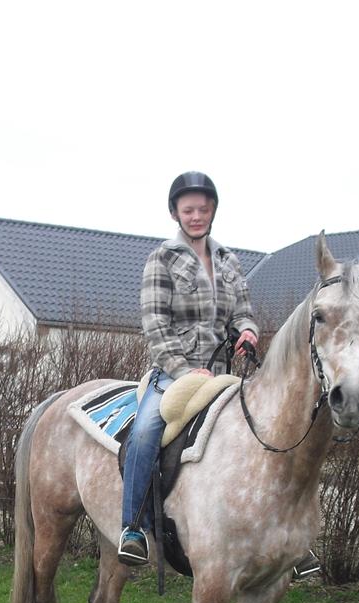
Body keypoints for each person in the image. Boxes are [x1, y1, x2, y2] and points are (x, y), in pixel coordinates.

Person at [118, 171, 258, 565]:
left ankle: (278, 535)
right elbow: (155, 325)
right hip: (174, 374)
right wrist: (183, 369)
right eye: (188, 209)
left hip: (222, 375)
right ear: (175, 213)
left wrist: (247, 331)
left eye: (203, 208)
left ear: (213, 210)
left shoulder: (229, 261)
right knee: (145, 432)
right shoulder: (161, 259)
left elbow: (243, 312)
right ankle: (133, 528)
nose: (197, 215)